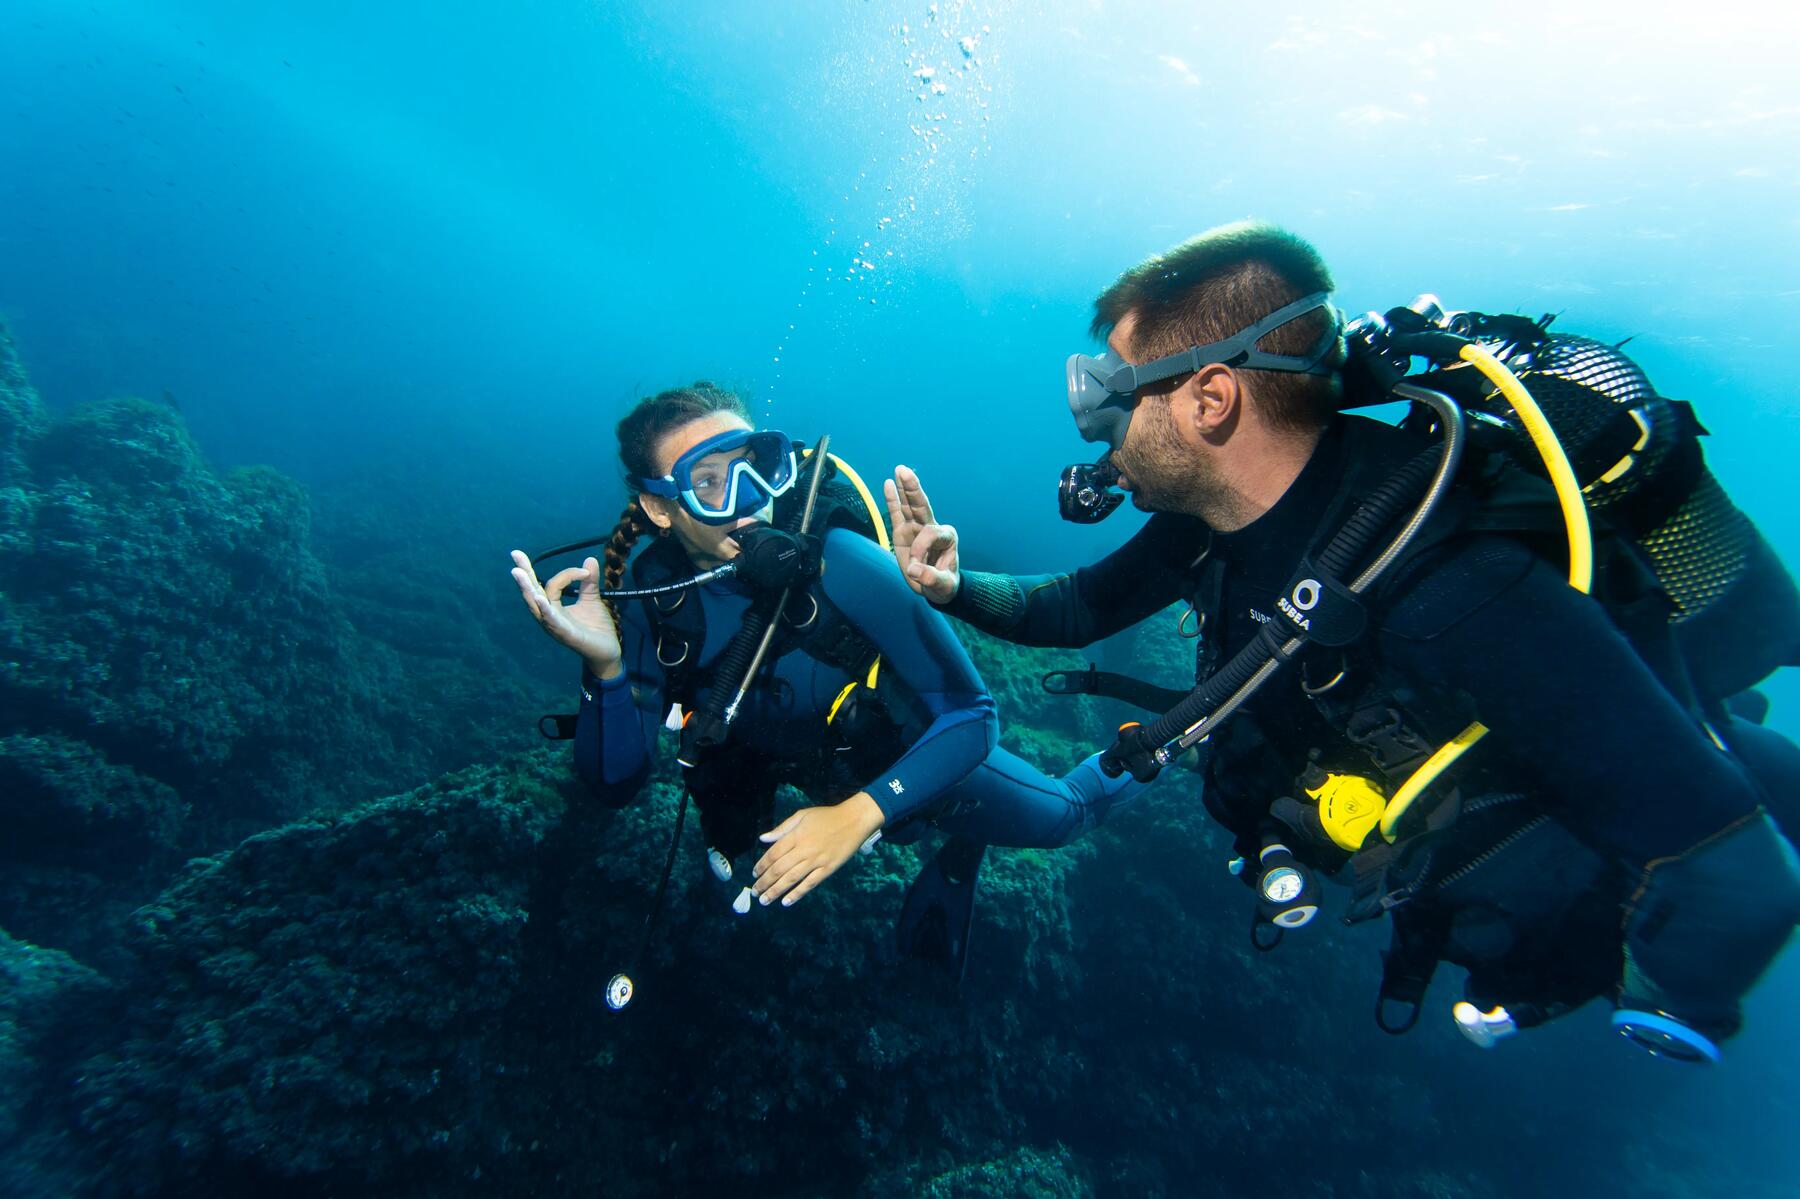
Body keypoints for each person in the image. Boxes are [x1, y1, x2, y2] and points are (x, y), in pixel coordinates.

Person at [885, 220, 1800, 1060]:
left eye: (1111, 400)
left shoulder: (1448, 579)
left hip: (1604, 885)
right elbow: (1077, 606)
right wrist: (950, 585)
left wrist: (1654, 1000)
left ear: (1211, 399)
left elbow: (1737, 885)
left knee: (1738, 755)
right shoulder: (1214, 520)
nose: (1097, 436)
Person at [509, 383, 1140, 976]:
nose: (749, 501)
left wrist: (858, 815)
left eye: (756, 467)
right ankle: (929, 827)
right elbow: (614, 784)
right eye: (708, 483)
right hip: (793, 766)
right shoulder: (655, 601)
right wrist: (605, 669)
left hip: (905, 753)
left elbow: (973, 715)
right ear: (658, 506)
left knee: (1061, 818)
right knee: (755, 878)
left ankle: (1159, 740)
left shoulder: (837, 559)